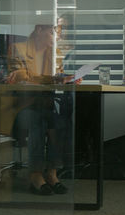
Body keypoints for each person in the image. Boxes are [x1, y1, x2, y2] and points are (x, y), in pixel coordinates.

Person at [7, 24, 80, 195]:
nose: (57, 38)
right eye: (53, 33)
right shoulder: (17, 49)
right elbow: (20, 77)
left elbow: (57, 77)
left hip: (45, 104)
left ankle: (52, 173)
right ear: (39, 30)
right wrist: (52, 79)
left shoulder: (55, 54)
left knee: (61, 122)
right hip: (18, 106)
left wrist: (67, 79)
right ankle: (35, 174)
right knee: (38, 119)